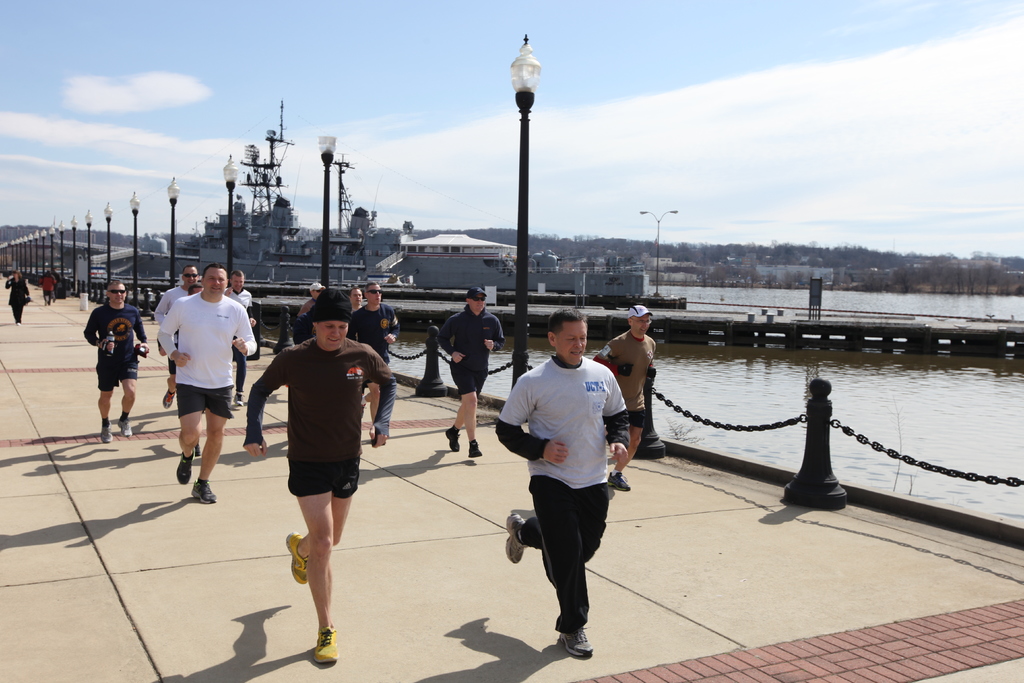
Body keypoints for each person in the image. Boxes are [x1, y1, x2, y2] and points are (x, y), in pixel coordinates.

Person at [243, 288, 395, 664]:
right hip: (307, 459)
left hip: (347, 457)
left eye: (342, 326)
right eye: (329, 325)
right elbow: (260, 390)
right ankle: (326, 628)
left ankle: (300, 548)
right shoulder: (294, 358)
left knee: (331, 539)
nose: (336, 332)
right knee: (326, 543)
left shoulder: (361, 354)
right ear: (315, 325)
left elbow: (388, 383)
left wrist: (382, 421)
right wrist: (253, 430)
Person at [496, 308, 628, 660]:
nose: (578, 344)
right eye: (570, 338)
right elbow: (506, 429)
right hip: (550, 479)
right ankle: (572, 627)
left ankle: (524, 534)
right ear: (552, 339)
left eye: (583, 337)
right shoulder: (533, 381)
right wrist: (540, 448)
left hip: (593, 479)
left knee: (583, 551)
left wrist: (617, 438)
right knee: (569, 557)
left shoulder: (601, 374)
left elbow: (617, 413)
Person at [158, 263, 256, 504]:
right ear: (202, 280)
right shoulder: (184, 305)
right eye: (211, 278)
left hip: (221, 381)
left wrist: (246, 347)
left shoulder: (236, 309)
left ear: (227, 282)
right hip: (190, 378)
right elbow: (164, 334)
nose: (216, 283)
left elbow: (252, 342)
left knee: (216, 433)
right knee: (191, 433)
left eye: (221, 279)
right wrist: (173, 354)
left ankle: (202, 483)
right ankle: (187, 454)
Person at [592, 304, 657, 492]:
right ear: (630, 321)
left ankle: (616, 474)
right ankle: (592, 473)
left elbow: (647, 360)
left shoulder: (651, 343)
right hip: (615, 402)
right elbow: (597, 361)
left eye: (647, 321)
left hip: (637, 401)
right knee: (606, 439)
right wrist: (618, 369)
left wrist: (650, 370)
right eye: (640, 321)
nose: (645, 324)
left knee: (635, 440)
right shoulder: (617, 343)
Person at [438, 286, 504, 458]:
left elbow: (500, 341)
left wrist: (494, 345)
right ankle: (473, 444)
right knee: (473, 402)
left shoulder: (492, 320)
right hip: (461, 366)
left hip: (481, 368)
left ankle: (453, 431)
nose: (480, 302)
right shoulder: (457, 319)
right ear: (468, 300)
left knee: (468, 404)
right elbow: (441, 338)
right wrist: (452, 352)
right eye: (476, 299)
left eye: (482, 299)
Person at [83, 280, 149, 443]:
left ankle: (124, 419)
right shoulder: (99, 313)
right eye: (114, 292)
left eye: (122, 291)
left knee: (131, 391)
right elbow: (89, 333)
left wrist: (144, 343)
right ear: (107, 294)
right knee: (106, 395)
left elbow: (141, 332)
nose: (118, 295)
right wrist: (100, 343)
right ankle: (105, 423)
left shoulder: (132, 311)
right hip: (107, 361)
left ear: (126, 293)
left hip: (128, 359)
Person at [347, 283, 399, 439]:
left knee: (377, 393)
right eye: (374, 292)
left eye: (380, 292)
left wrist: (393, 336)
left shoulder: (388, 311)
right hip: (364, 360)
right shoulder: (358, 316)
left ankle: (373, 421)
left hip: (382, 358)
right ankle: (373, 427)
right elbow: (350, 338)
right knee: (376, 392)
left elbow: (395, 327)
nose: (378, 294)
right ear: (366, 295)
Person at [153, 264, 201, 409]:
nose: (191, 278)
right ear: (182, 277)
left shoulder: (204, 295)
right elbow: (158, 313)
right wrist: (170, 325)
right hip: (174, 340)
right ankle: (171, 391)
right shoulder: (171, 294)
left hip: (196, 342)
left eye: (194, 275)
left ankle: (197, 403)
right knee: (174, 379)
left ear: (198, 277)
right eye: (188, 275)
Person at [228, 270, 257, 408]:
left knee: (242, 362)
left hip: (240, 334)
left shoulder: (247, 295)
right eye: (236, 282)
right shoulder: (224, 294)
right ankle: (223, 390)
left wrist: (251, 318)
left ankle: (239, 392)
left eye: (241, 282)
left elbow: (248, 311)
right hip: (225, 333)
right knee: (224, 362)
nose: (238, 284)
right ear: (230, 281)